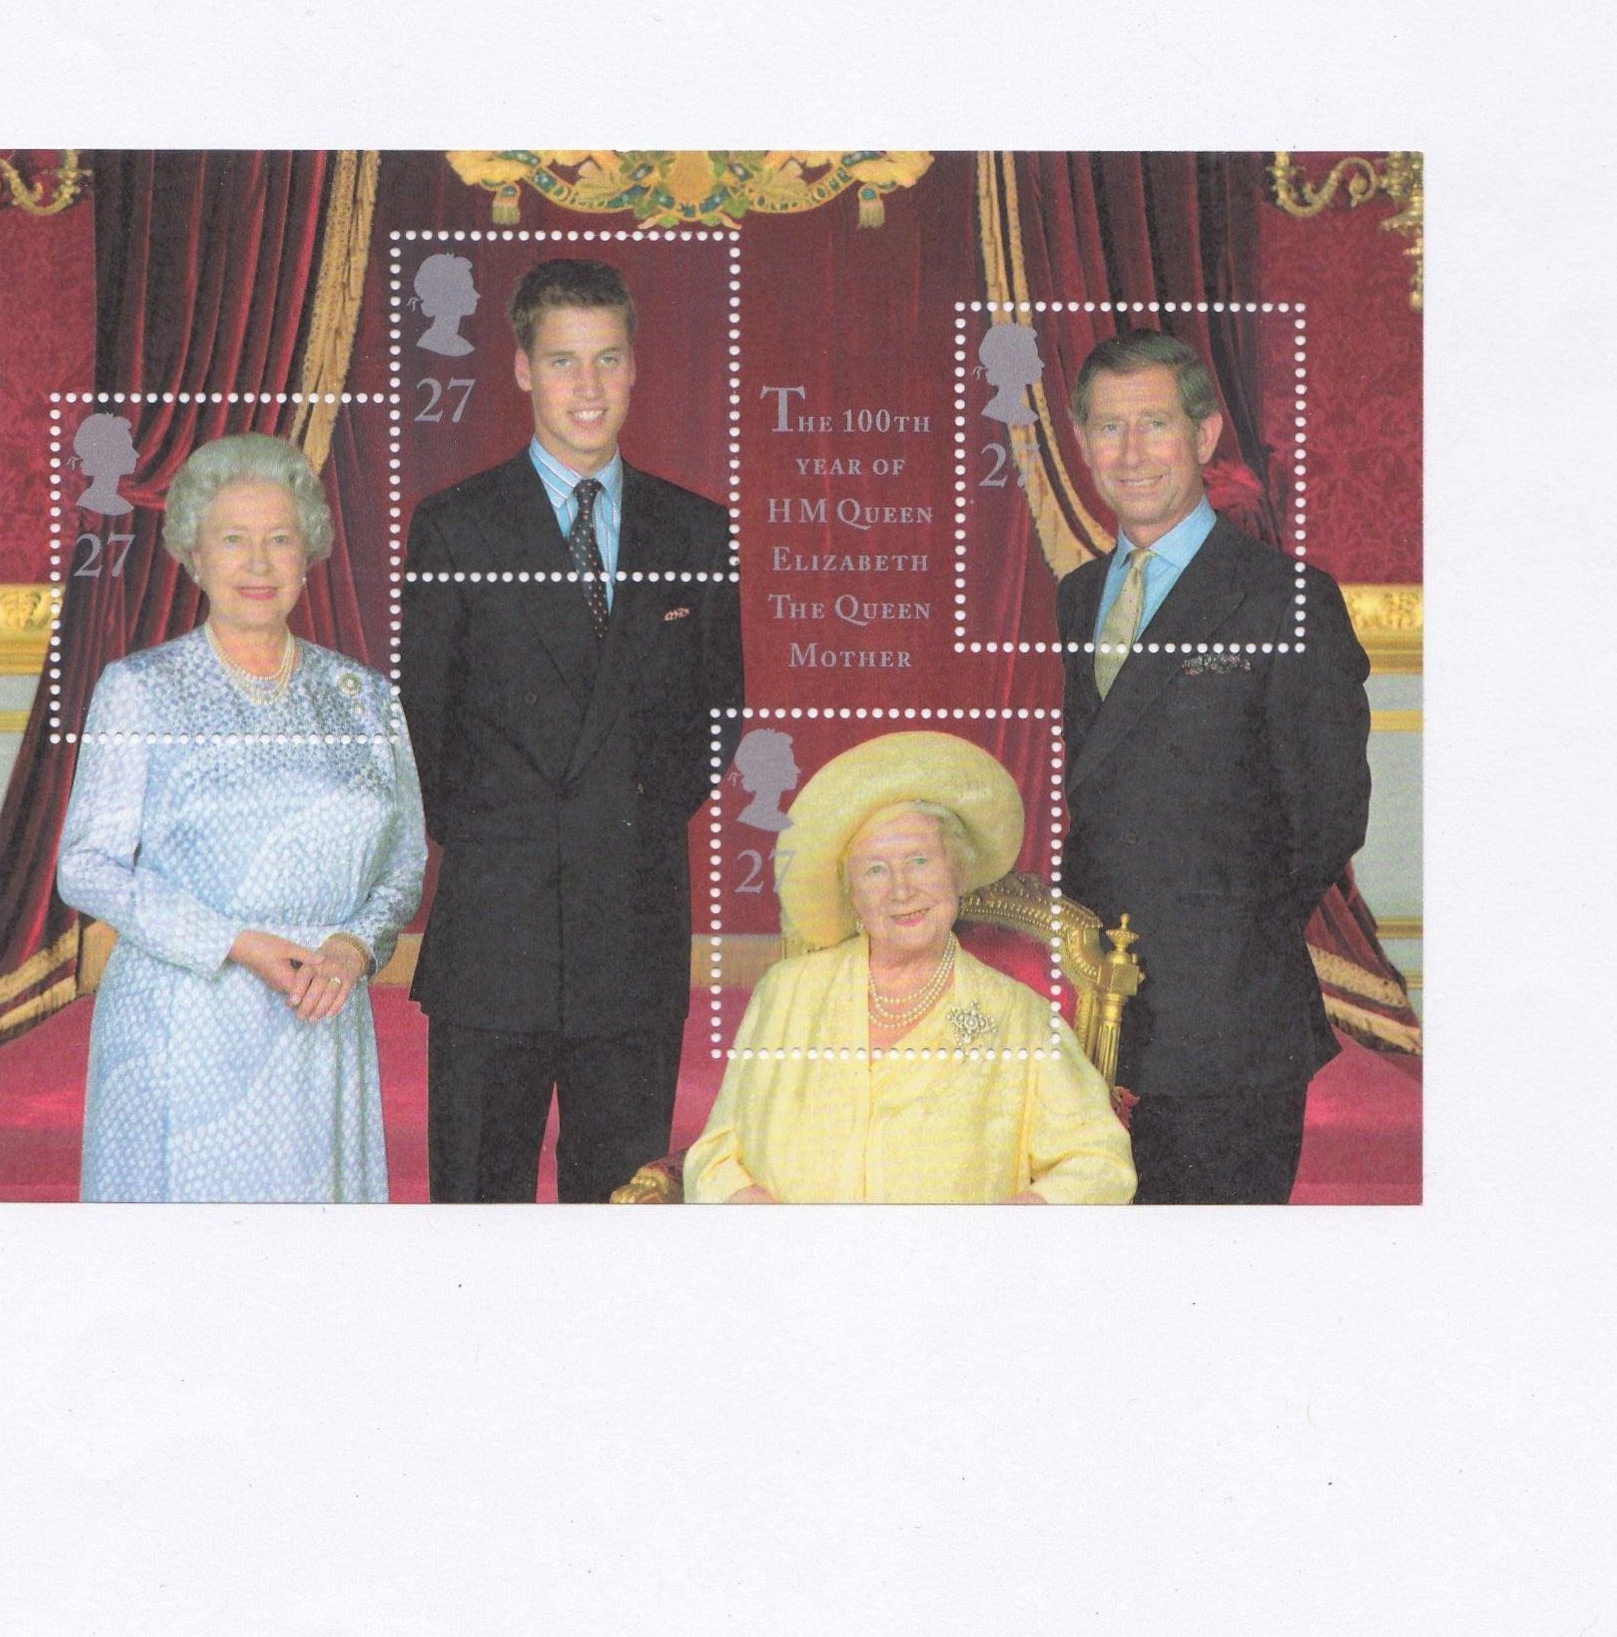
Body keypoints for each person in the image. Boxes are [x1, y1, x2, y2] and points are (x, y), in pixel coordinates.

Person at [401, 257, 745, 1203]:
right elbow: (421, 726)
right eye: (562, 361)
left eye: (606, 360)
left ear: (634, 367)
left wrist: (618, 822)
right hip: (495, 932)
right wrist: (519, 839)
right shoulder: (453, 527)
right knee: (478, 1202)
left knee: (621, 1205)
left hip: (630, 927)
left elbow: (720, 714)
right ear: (520, 369)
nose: (586, 388)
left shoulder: (697, 531)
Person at [57, 433, 427, 1202]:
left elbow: (404, 859)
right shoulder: (140, 689)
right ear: (193, 553)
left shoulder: (365, 698)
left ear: (308, 553)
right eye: (233, 540)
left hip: (319, 1017)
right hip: (184, 1024)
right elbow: (85, 865)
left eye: (279, 539)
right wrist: (232, 942)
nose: (258, 564)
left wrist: (356, 946)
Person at [1056, 328, 1371, 1204]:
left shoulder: (1285, 598)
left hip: (1230, 1021)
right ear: (1080, 443)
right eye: (1107, 428)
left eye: (1153, 424)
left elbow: (1327, 815)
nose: (1129, 452)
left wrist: (1213, 948)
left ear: (1201, 438)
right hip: (1109, 1014)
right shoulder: (1078, 595)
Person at [683, 731, 1135, 1205]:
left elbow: (1099, 1163)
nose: (902, 890)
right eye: (875, 870)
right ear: (851, 892)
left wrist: (1008, 1227)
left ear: (958, 873)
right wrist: (753, 1211)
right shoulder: (787, 992)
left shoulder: (1020, 1017)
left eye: (920, 861)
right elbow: (714, 1154)